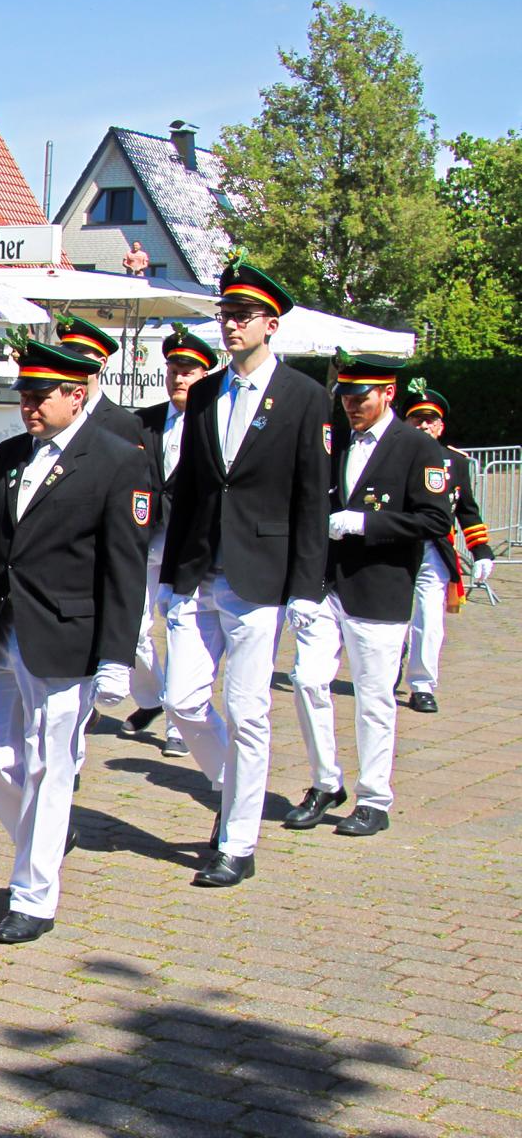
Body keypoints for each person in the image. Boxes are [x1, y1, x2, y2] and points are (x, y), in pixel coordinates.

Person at [0, 336, 151, 944]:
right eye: (24, 395)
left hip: (67, 634)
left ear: (76, 395)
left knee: (48, 764)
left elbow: (125, 565)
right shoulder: (12, 453)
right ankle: (47, 834)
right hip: (1, 626)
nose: (28, 406)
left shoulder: (117, 459)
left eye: (40, 396)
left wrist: (116, 656)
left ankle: (33, 896)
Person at [160, 255, 329, 888]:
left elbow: (312, 499)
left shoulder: (305, 397)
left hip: (260, 575)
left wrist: (306, 588)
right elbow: (191, 488)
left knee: (247, 709)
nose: (231, 324)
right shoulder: (206, 392)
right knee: (182, 700)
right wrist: (172, 575)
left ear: (271, 325)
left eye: (244, 315)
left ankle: (238, 842)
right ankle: (236, 789)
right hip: (201, 569)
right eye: (226, 313)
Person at [286, 354, 450, 839]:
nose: (351, 406)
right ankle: (325, 782)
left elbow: (435, 519)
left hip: (380, 587)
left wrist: (368, 523)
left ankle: (374, 798)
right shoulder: (335, 441)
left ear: (388, 393)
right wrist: (302, 585)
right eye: (346, 397)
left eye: (361, 398)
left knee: (374, 698)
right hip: (328, 586)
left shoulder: (417, 447)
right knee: (307, 680)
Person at [125, 327, 220, 758]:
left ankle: (179, 724)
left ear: (204, 376)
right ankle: (152, 697)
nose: (179, 378)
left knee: (184, 632)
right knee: (132, 631)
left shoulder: (214, 421)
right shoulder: (143, 422)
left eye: (189, 372)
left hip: (189, 545)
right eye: (174, 370)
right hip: (146, 538)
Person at [401, 382, 495, 714]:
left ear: (440, 427)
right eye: (417, 419)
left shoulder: (455, 462)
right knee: (390, 617)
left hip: (434, 549)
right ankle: (388, 666)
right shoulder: (390, 456)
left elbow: (466, 510)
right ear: (406, 423)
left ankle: (422, 685)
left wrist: (481, 549)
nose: (424, 425)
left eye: (430, 420)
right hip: (395, 547)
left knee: (429, 620)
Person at [55, 314, 146, 447]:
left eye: (79, 355)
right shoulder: (54, 412)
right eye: (66, 355)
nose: (70, 361)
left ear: (101, 363)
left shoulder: (123, 423)